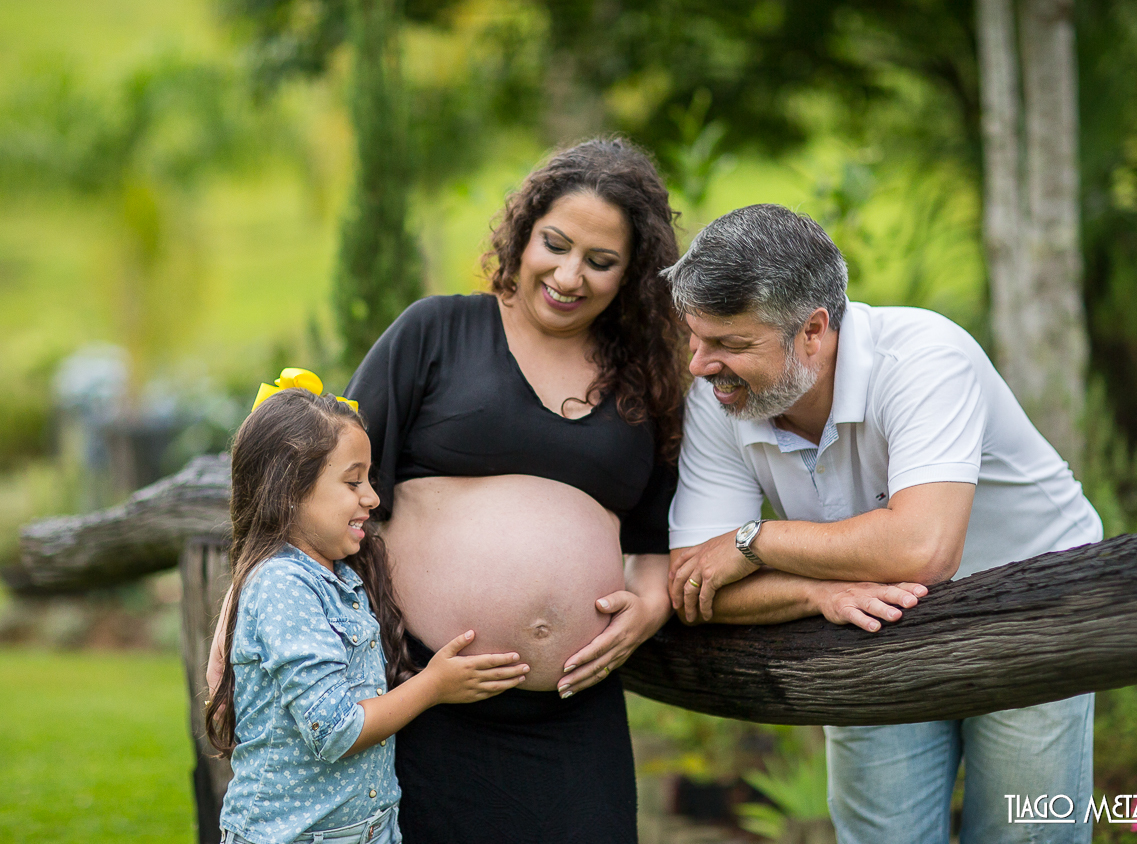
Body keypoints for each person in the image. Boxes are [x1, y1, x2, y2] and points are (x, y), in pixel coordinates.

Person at [342, 139, 920, 843]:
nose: (569, 275)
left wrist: (647, 604)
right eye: (555, 245)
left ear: (633, 273)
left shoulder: (645, 379)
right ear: (523, 235)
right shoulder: (435, 331)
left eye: (600, 261)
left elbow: (656, 538)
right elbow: (332, 485)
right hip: (423, 694)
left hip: (572, 709)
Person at [664, 204, 1102, 844]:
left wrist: (757, 542)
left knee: (1026, 835)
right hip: (871, 617)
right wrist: (813, 592)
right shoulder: (719, 396)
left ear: (814, 331)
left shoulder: (924, 358)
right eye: (696, 338)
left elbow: (923, 550)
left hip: (1033, 607)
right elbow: (694, 581)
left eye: (731, 344)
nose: (700, 365)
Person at [206, 375, 529, 844]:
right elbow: (335, 730)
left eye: (370, 479)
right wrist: (434, 685)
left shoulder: (338, 575)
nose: (372, 497)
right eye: (353, 480)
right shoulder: (284, 585)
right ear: (290, 489)